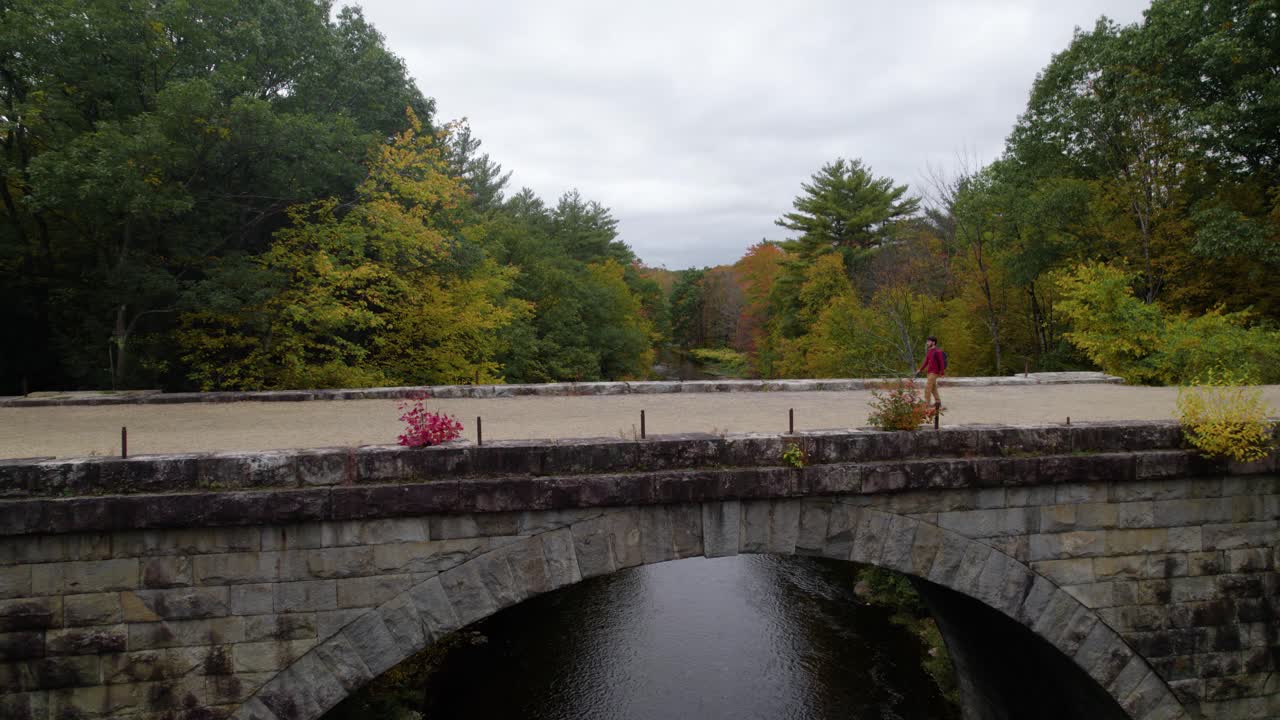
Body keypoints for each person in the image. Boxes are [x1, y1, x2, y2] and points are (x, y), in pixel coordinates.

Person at [915, 336, 944, 410]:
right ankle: (938, 402)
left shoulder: (938, 351)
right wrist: (920, 369)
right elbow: (926, 361)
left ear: (933, 342)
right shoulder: (929, 351)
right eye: (927, 341)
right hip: (929, 372)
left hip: (934, 372)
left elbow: (941, 362)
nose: (927, 343)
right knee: (933, 388)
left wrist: (942, 372)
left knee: (927, 388)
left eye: (929, 341)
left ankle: (926, 404)